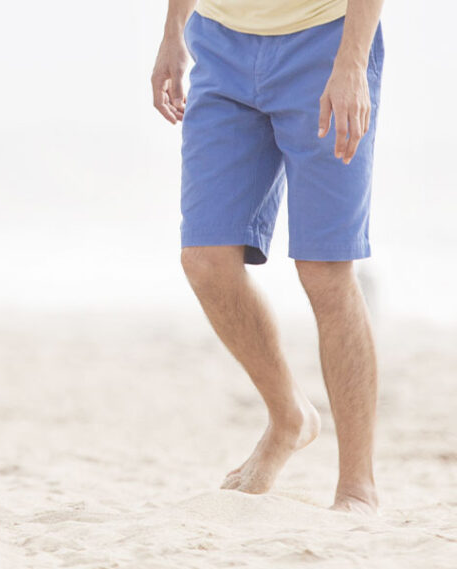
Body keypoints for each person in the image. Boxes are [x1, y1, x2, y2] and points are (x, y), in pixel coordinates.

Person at [151, 0, 384, 513]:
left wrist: (351, 63)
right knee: (205, 261)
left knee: (326, 271)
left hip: (325, 42)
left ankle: (356, 486)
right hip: (219, 42)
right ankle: (289, 417)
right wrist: (173, 31)